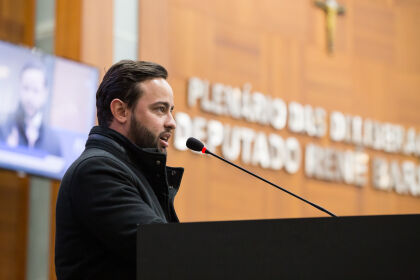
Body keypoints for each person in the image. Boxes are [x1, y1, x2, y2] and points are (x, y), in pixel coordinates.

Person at [55, 60, 183, 279]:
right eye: (160, 109)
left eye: (171, 110)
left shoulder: (136, 173)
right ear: (121, 111)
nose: (171, 122)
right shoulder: (97, 171)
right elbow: (163, 250)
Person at [0, 61, 62, 156]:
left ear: (45, 94)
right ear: (19, 88)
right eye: (26, 88)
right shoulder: (4, 128)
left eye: (35, 90)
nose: (29, 97)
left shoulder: (53, 142)